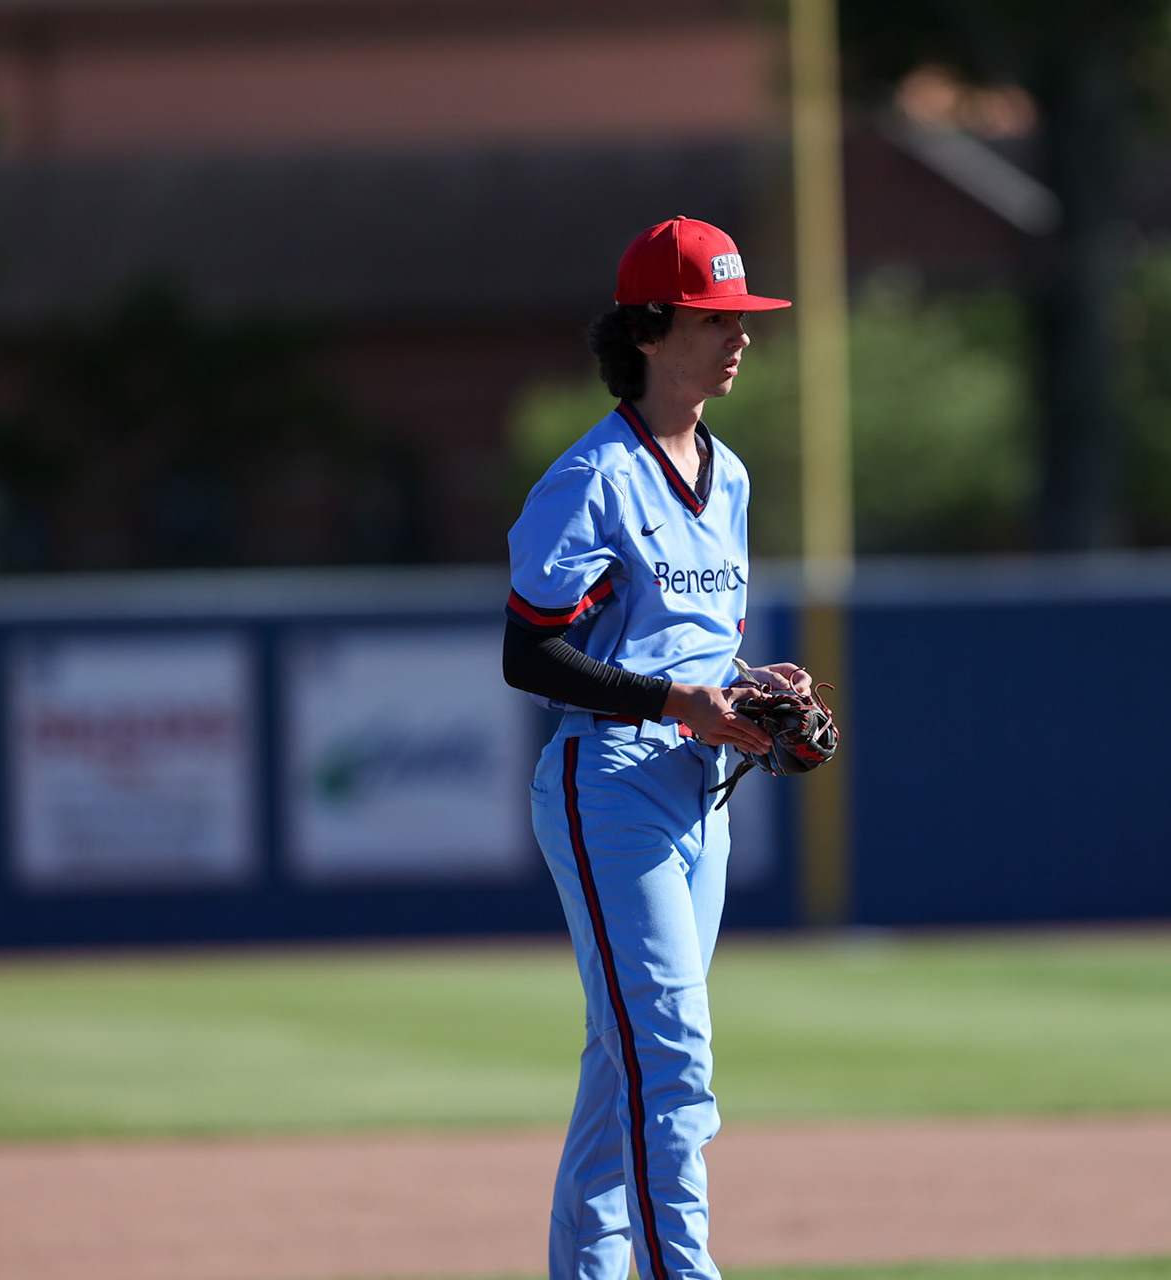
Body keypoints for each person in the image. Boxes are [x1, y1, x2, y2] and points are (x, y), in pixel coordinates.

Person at [503, 216, 811, 1280]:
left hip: (701, 789)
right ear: (648, 327)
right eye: (715, 316)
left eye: (741, 318)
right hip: (611, 783)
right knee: (670, 1053)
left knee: (625, 1057)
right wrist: (673, 699)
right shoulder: (590, 478)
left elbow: (698, 649)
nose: (739, 336)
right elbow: (528, 650)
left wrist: (751, 689)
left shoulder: (726, 473)